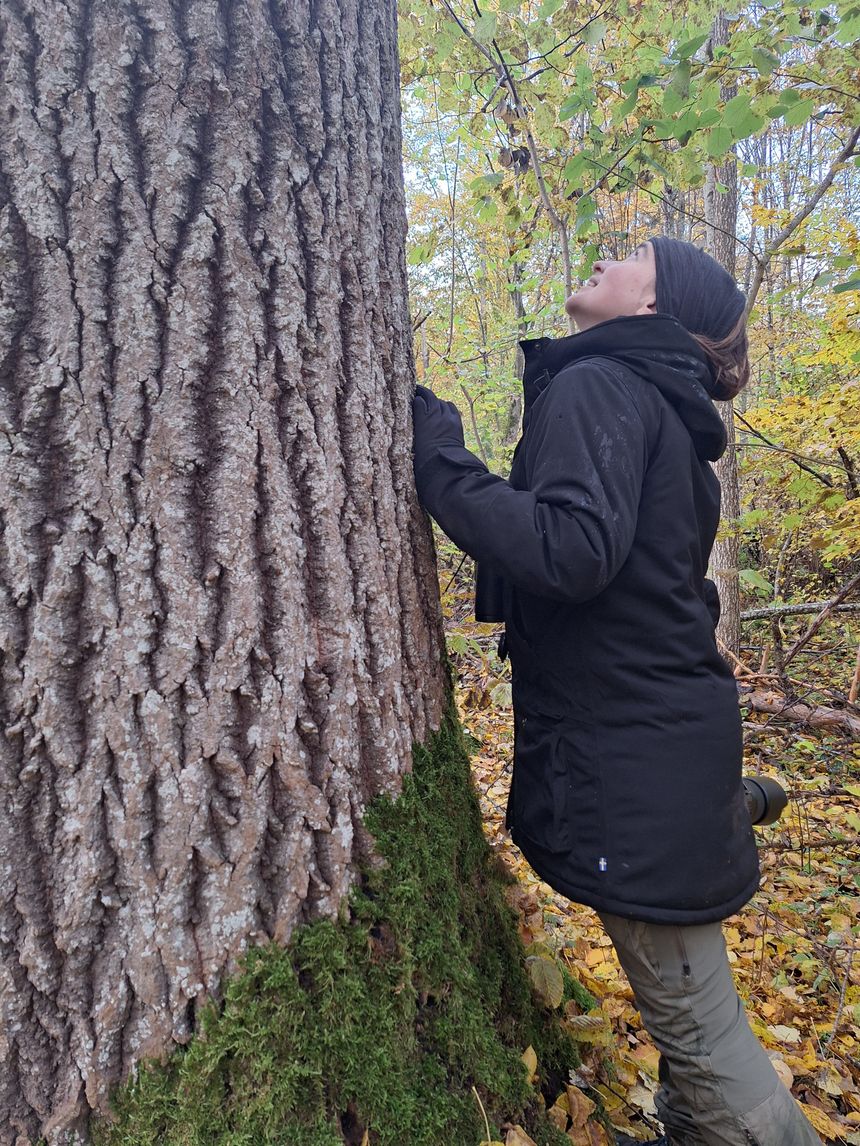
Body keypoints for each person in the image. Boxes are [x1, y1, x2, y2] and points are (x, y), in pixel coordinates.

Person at [410, 237, 821, 1146]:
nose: (607, 254)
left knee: (708, 1047)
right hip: (667, 750)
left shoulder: (603, 386)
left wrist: (440, 459)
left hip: (644, 765)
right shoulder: (664, 414)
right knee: (692, 1044)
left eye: (635, 254)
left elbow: (570, 552)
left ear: (654, 308)